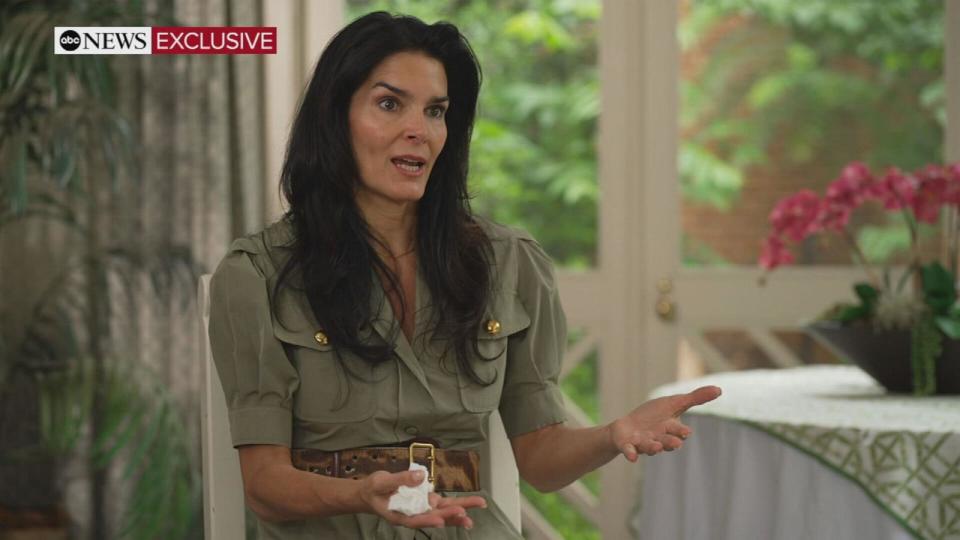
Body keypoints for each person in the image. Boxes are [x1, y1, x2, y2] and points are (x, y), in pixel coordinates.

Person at [208, 11, 721, 539]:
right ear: (335, 118)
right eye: (389, 104)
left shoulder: (508, 262)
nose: (419, 131)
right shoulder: (258, 276)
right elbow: (265, 485)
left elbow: (542, 459)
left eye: (436, 111)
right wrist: (363, 494)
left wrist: (614, 434)